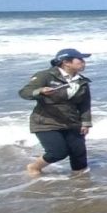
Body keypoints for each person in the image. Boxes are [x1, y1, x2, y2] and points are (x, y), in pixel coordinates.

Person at [20, 48, 94, 176]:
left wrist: (86, 122)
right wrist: (40, 91)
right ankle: (34, 167)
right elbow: (24, 92)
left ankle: (81, 184)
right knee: (57, 152)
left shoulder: (82, 81)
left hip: (71, 122)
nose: (83, 62)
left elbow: (85, 104)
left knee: (79, 154)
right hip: (46, 122)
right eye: (80, 60)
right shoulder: (45, 76)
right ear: (66, 62)